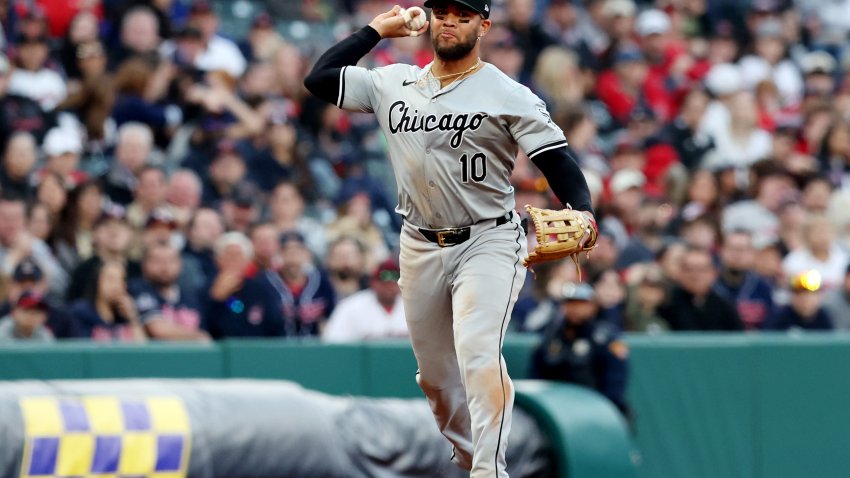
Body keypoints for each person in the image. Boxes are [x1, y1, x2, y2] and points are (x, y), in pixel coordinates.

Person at [304, 1, 596, 475]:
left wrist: (581, 208)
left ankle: (489, 470)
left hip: (488, 239)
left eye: (462, 14)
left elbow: (556, 158)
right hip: (418, 243)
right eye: (442, 12)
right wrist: (377, 29)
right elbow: (319, 78)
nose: (450, 21)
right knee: (437, 380)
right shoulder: (393, 82)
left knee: (478, 352)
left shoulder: (507, 92)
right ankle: (467, 460)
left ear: (483, 25)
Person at [530, 282, 629, 415]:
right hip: (555, 408)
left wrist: (602, 411)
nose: (575, 309)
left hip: (593, 409)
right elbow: (535, 377)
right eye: (570, 303)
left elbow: (614, 385)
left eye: (581, 303)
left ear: (593, 307)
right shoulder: (550, 337)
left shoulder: (604, 340)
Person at [322, 258, 407, 342]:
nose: (389, 287)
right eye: (384, 283)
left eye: (393, 282)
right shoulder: (350, 306)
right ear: (373, 283)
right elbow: (333, 343)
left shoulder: (413, 306)